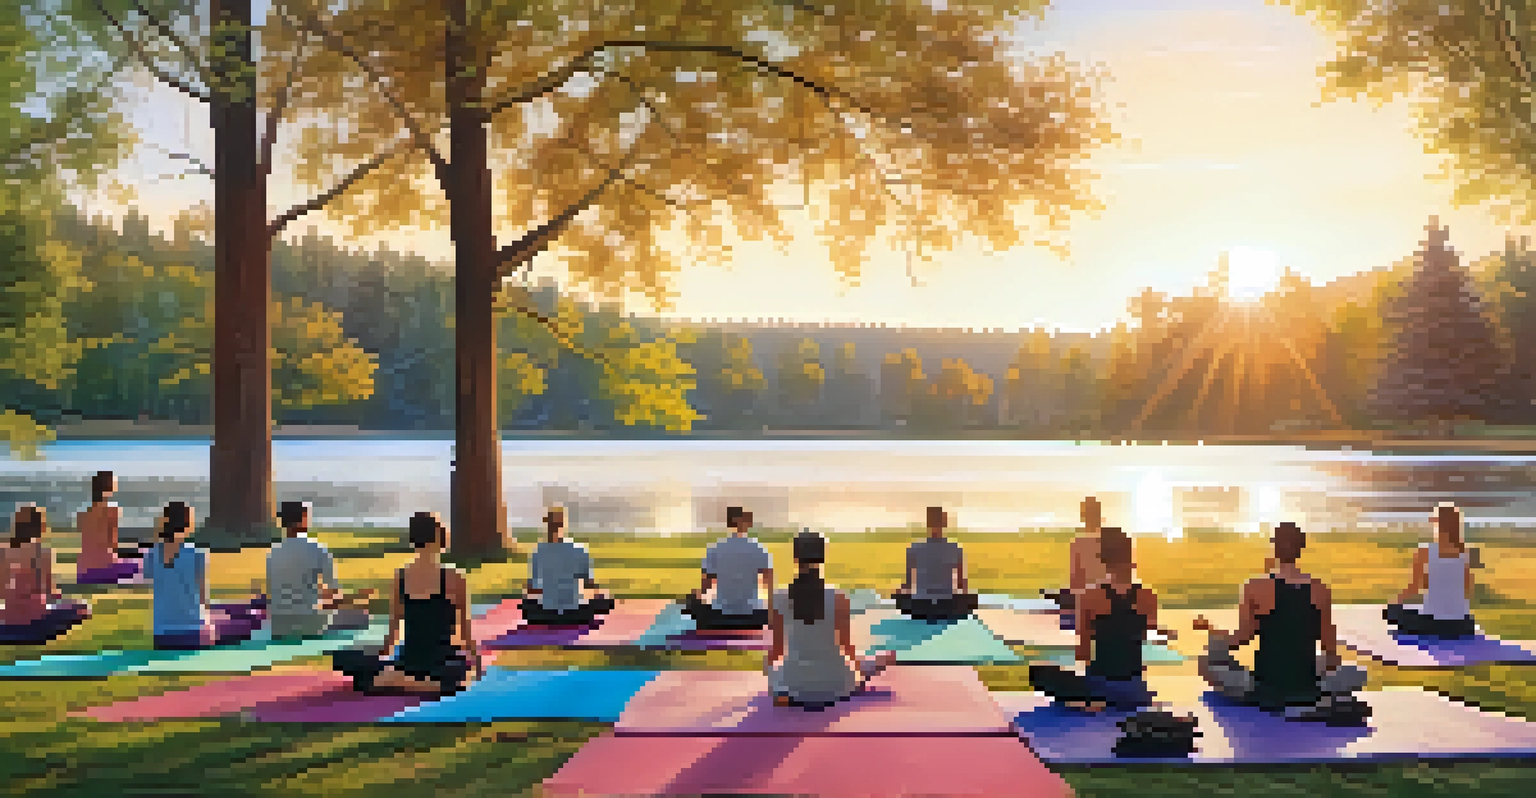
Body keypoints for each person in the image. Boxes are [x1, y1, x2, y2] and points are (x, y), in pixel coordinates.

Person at [1195, 521, 1369, 721]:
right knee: (1357, 673)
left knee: (1205, 662)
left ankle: (1296, 701)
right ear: (1301, 549)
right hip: (1306, 684)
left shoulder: (1254, 586)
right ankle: (1320, 698)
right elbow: (1331, 652)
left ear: (1274, 549)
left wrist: (1213, 634)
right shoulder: (1320, 589)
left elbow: (1241, 639)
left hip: (1265, 688)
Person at [333, 511, 481, 696]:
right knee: (459, 673)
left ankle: (396, 679)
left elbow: (392, 636)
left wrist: (375, 657)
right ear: (439, 536)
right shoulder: (455, 578)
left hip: (409, 661)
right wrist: (478, 663)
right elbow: (466, 636)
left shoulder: (400, 577)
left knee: (359, 667)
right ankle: (423, 684)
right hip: (441, 662)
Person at [1028, 527, 1161, 711]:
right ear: (1130, 556)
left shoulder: (1089, 596)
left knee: (1038, 671)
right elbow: (1137, 640)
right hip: (1135, 690)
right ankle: (1106, 699)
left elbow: (1083, 653)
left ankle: (1090, 701)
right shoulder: (1149, 596)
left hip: (1098, 687)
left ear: (1102, 559)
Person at [766, 530, 898, 709]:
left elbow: (777, 652)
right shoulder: (838, 597)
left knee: (774, 669)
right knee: (879, 660)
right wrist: (862, 667)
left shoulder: (779, 598)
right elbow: (847, 649)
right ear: (822, 558)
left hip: (793, 684)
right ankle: (865, 672)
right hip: (836, 684)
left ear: (796, 559)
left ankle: (788, 692)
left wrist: (772, 677)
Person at [143, 502, 267, 649]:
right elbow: (203, 600)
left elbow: (158, 578)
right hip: (195, 635)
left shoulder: (152, 555)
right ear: (188, 524)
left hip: (162, 637)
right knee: (251, 621)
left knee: (228, 614)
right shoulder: (196, 554)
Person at [266, 501, 374, 639]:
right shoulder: (317, 548)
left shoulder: (273, 553)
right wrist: (357, 597)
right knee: (362, 616)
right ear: (303, 518)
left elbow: (282, 595)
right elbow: (335, 597)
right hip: (310, 625)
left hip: (278, 626)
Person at [1385, 503, 1478, 638]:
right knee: (1414, 610)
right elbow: (1468, 590)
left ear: (1437, 523)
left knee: (1392, 613)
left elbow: (1413, 588)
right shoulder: (1466, 552)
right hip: (1463, 625)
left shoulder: (1425, 551)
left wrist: (1393, 603)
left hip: (1433, 624)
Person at [0, 506, 91, 643]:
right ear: (40, 526)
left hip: (10, 617)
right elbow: (50, 592)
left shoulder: (4, 552)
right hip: (36, 618)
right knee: (81, 606)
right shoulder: (43, 553)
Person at [521, 507, 615, 625]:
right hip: (576, 613)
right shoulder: (579, 550)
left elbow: (532, 589)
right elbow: (589, 584)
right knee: (605, 598)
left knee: (526, 602)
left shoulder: (538, 552)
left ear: (547, 525)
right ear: (564, 525)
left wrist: (550, 588)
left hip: (546, 613)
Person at [685, 506, 773, 630]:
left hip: (720, 615)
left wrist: (695, 596)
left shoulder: (714, 549)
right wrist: (771, 615)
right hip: (753, 616)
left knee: (695, 605)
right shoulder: (759, 549)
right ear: (747, 522)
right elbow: (769, 585)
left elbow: (706, 586)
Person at [894, 506, 977, 622]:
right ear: (944, 524)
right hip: (947, 606)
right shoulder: (955, 549)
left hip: (920, 607)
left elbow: (908, 585)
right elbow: (961, 585)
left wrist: (898, 592)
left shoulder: (914, 549)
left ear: (928, 524)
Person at [1046, 496, 1106, 630]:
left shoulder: (1079, 543)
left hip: (1087, 598)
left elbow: (1076, 581)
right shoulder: (1110, 540)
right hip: (1108, 597)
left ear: (1083, 516)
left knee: (1060, 595)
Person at [76, 471, 145, 584]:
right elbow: (113, 543)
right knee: (141, 564)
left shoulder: (83, 513)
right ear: (110, 486)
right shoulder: (112, 510)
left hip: (82, 573)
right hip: (104, 570)